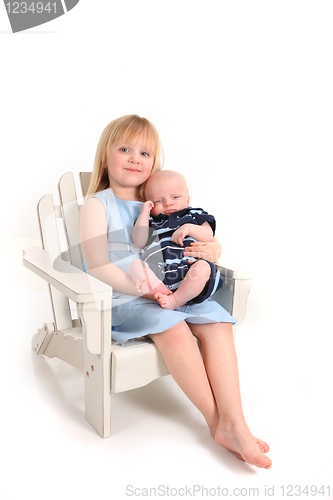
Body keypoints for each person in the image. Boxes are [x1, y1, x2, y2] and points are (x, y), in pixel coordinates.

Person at [79, 114, 272, 469]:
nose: (136, 158)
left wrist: (212, 250)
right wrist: (147, 292)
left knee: (216, 322)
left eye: (145, 153)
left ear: (155, 162)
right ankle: (221, 424)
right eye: (125, 149)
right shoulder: (99, 205)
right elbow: (98, 265)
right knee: (172, 326)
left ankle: (235, 420)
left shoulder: (160, 200)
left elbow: (196, 235)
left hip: (176, 289)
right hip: (124, 297)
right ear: (106, 156)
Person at [128, 169, 223, 310]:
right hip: (159, 273)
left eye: (175, 197)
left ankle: (175, 299)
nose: (168, 203)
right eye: (159, 201)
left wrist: (190, 228)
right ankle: (159, 289)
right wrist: (144, 213)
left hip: (190, 270)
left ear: (188, 199)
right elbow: (139, 241)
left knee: (204, 267)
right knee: (135, 265)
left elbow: (208, 235)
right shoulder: (151, 221)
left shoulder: (194, 215)